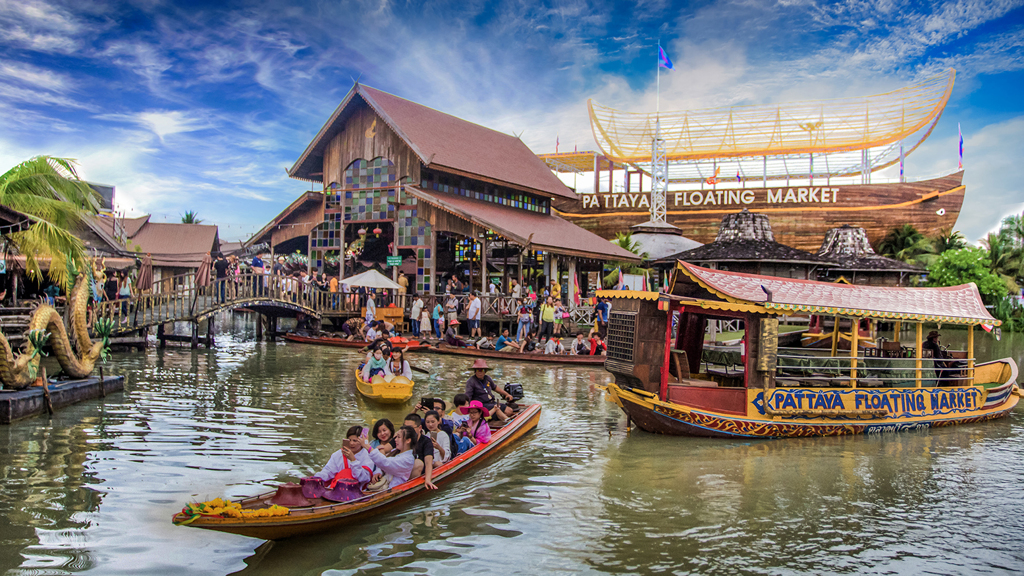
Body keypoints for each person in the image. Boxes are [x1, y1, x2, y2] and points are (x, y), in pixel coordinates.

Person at [362, 425, 417, 489]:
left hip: (392, 489)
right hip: (384, 485)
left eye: (398, 437)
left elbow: (386, 463)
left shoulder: (408, 459)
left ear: (408, 440)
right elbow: (384, 463)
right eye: (396, 437)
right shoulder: (395, 451)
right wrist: (378, 472)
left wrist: (368, 447)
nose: (395, 440)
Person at [403, 414, 438, 490]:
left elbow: (428, 462)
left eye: (410, 428)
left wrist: (428, 480)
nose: (407, 431)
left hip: (417, 473)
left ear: (420, 428)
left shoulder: (426, 442)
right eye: (405, 428)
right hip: (402, 471)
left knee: (418, 463)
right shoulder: (401, 437)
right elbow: (387, 448)